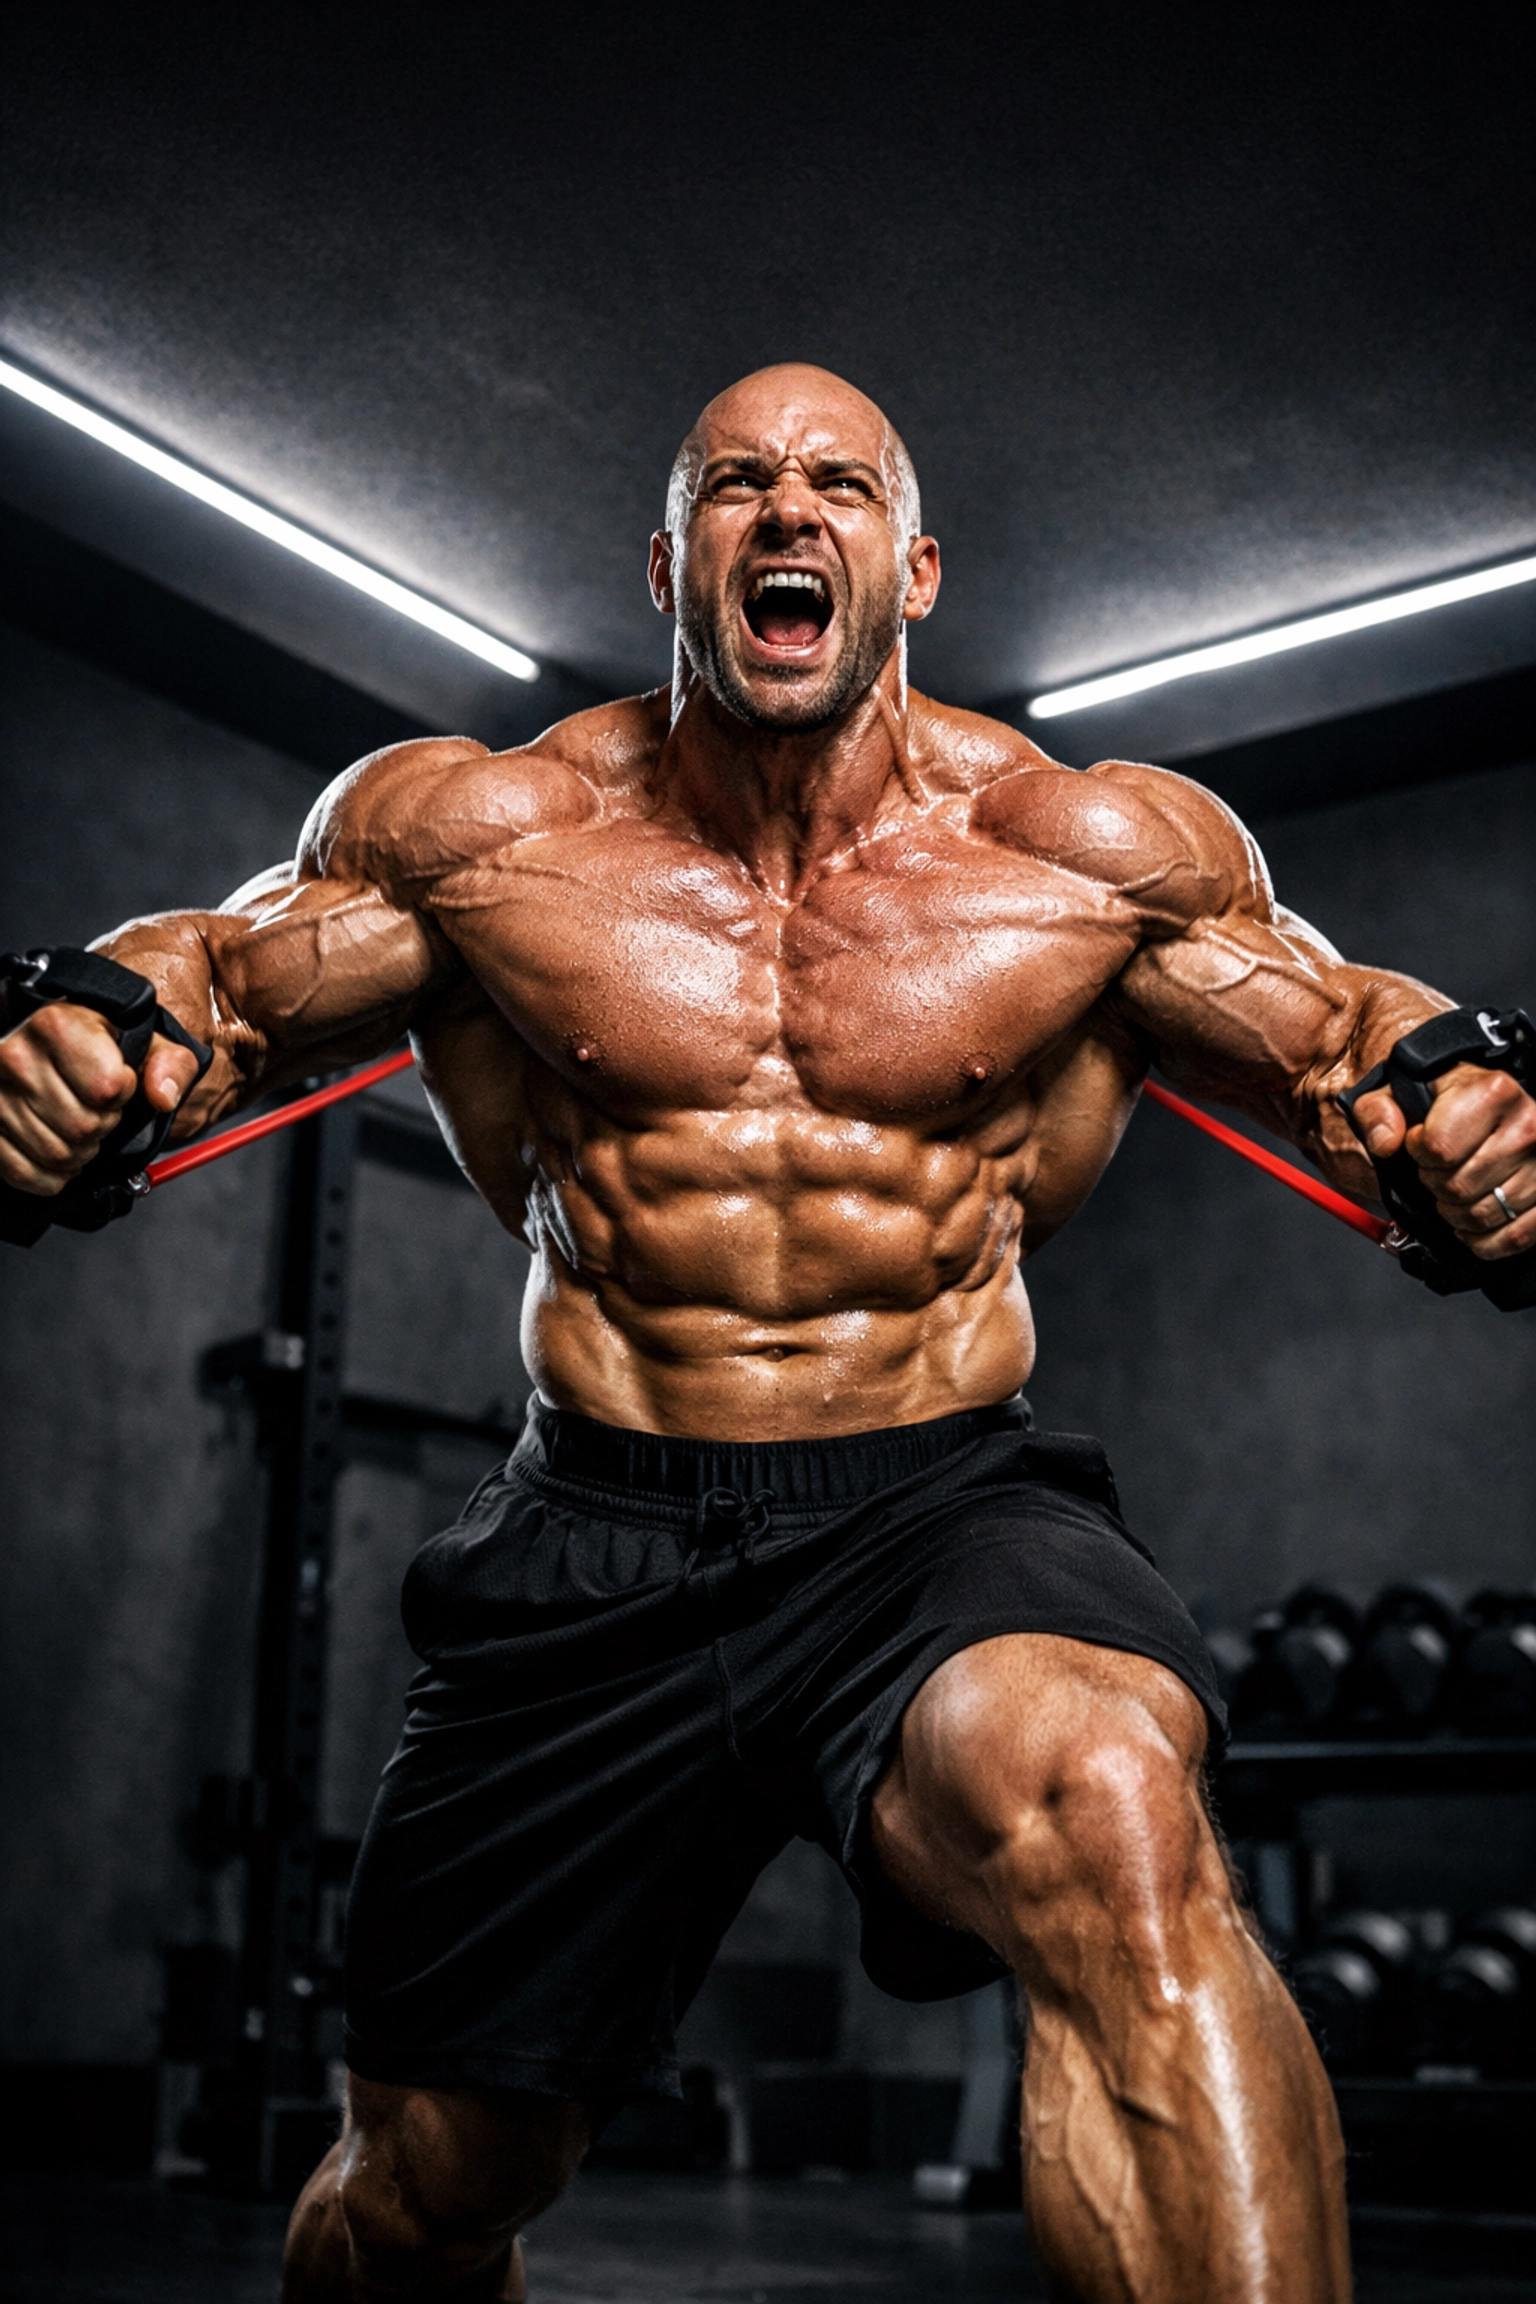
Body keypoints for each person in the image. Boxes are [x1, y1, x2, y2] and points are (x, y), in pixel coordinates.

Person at [3, 365, 1534, 2303]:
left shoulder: (1079, 854)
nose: (787, 512)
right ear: (672, 561)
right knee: (430, 2186)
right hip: (597, 1540)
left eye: (836, 485)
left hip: (937, 1514)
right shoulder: (490, 834)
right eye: (737, 484)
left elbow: (1352, 1043)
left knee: (1114, 1816)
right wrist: (70, 1048)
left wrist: (1476, 1121)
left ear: (916, 565)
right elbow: (208, 985)